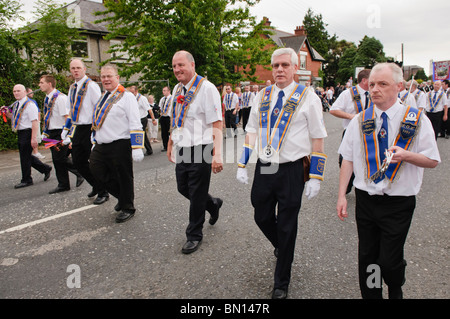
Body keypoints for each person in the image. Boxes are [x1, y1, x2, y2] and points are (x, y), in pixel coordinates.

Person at [336, 62, 440, 299]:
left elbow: (432, 160)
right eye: (372, 84)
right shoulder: (359, 121)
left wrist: (406, 155)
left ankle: (395, 285)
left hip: (398, 203)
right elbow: (348, 159)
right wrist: (342, 195)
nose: (374, 89)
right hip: (366, 200)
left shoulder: (417, 120)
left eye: (382, 84)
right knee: (368, 259)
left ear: (399, 87)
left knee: (390, 261)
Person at [236, 48, 327, 299]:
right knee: (261, 215)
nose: (279, 70)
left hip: (291, 168)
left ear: (295, 68)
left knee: (287, 226)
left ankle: (281, 282)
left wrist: (316, 177)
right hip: (265, 166)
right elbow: (251, 131)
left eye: (285, 65)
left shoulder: (309, 98)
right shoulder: (262, 96)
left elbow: (318, 139)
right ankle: (282, 246)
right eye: (275, 65)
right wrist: (242, 164)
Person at [167, 50, 223, 254]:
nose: (177, 69)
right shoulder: (177, 89)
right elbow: (176, 118)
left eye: (181, 65)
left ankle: (194, 234)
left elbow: (217, 122)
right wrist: (171, 143)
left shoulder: (207, 89)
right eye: (174, 66)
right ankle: (213, 203)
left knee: (197, 192)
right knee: (183, 188)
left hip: (202, 147)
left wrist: (217, 154)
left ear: (192, 65)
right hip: (183, 147)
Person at [89, 65, 145, 223]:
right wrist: (94, 139)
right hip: (102, 143)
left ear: (117, 78)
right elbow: (98, 121)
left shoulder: (126, 97)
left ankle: (128, 206)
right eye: (103, 76)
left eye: (109, 76)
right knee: (96, 170)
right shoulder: (103, 97)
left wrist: (137, 147)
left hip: (121, 143)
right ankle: (122, 197)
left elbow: (135, 123)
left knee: (124, 176)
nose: (106, 79)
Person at [62, 58, 108, 204]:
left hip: (89, 127)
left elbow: (99, 108)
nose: (75, 70)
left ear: (84, 69)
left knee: (93, 162)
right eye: (73, 68)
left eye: (78, 68)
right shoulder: (72, 88)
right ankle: (95, 185)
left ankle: (103, 191)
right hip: (77, 128)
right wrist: (66, 129)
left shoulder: (91, 86)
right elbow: (71, 111)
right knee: (78, 161)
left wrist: (97, 131)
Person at [38, 75, 84, 194]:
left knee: (60, 158)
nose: (39, 85)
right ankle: (65, 183)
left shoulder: (60, 98)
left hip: (60, 131)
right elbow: (48, 117)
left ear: (49, 84)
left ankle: (75, 175)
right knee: (57, 159)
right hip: (51, 132)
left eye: (42, 82)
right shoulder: (47, 98)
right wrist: (45, 132)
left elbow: (67, 117)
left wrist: (67, 135)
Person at [330, 69, 372, 194]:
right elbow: (334, 110)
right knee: (346, 159)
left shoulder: (375, 93)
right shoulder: (347, 94)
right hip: (351, 132)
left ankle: (367, 185)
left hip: (371, 133)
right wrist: (351, 117)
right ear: (364, 80)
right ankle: (348, 182)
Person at [1, 85, 52, 188]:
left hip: (28, 132)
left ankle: (27, 179)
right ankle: (45, 168)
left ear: (24, 92)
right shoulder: (17, 104)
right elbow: (15, 119)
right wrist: (6, 113)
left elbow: (34, 122)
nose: (16, 93)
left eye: (18, 91)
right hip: (21, 132)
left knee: (24, 157)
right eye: (14, 91)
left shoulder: (30, 104)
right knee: (26, 156)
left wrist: (33, 138)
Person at [128, 86, 156, 155]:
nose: (131, 94)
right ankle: (145, 149)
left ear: (136, 91)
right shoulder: (131, 98)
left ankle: (148, 150)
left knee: (141, 134)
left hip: (142, 119)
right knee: (139, 134)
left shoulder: (142, 98)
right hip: (136, 119)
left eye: (132, 92)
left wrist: (153, 119)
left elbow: (149, 109)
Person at [159, 86, 172, 151]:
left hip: (169, 117)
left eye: (164, 90)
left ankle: (172, 146)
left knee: (170, 132)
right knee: (164, 133)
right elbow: (160, 107)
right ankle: (165, 146)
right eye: (163, 90)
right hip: (163, 117)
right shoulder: (162, 99)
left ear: (168, 91)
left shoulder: (172, 98)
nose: (163, 92)